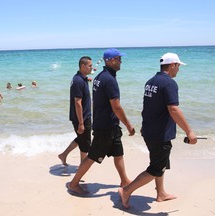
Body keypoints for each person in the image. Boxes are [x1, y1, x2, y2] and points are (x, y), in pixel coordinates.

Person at [118, 53, 197, 209]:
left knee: (159, 163)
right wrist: (189, 131)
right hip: (159, 134)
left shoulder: (151, 82)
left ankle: (160, 193)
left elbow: (149, 107)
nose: (179, 69)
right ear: (172, 65)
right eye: (178, 66)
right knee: (156, 168)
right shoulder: (169, 84)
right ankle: (126, 190)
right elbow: (173, 109)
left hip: (150, 130)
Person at [67, 48, 135, 195]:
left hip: (110, 124)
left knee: (118, 153)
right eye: (118, 59)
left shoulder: (99, 77)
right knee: (92, 156)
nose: (120, 61)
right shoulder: (109, 79)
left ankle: (124, 180)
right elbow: (116, 107)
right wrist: (129, 125)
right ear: (110, 60)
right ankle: (74, 183)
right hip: (105, 127)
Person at [58, 56, 93, 166]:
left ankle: (63, 155)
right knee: (85, 144)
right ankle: (82, 167)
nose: (91, 68)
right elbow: (77, 103)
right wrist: (81, 123)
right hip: (81, 118)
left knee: (81, 139)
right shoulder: (78, 81)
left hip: (84, 116)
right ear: (83, 66)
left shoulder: (81, 78)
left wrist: (87, 79)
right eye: (90, 66)